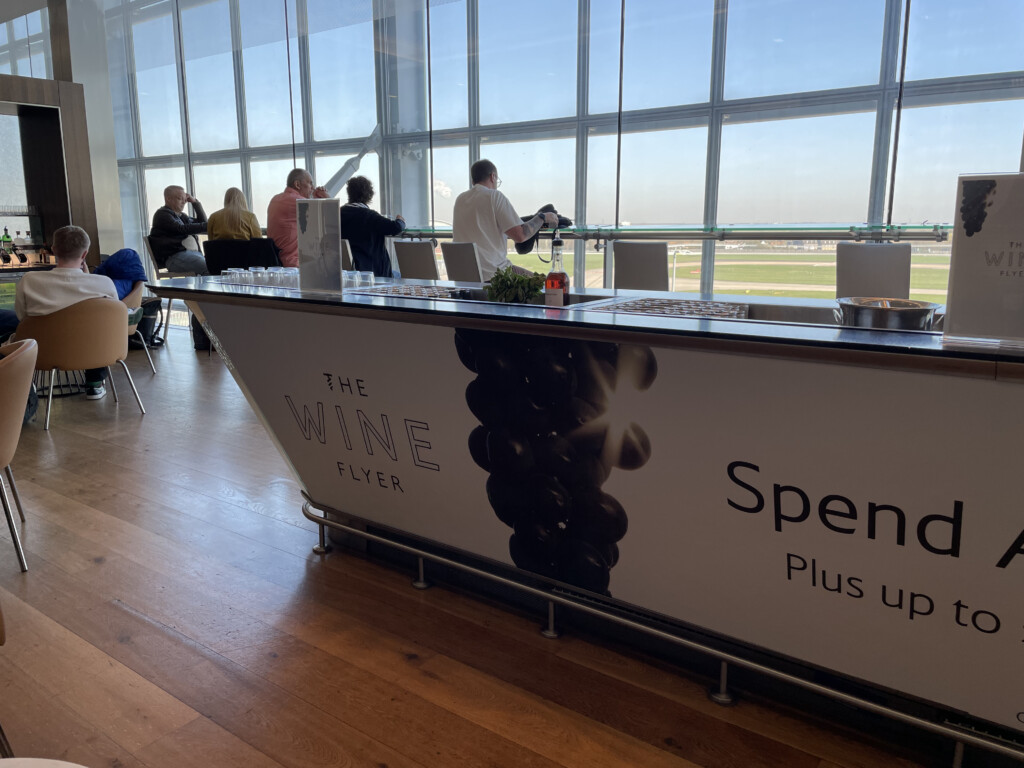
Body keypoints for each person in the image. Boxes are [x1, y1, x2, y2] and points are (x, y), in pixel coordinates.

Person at [13, 225, 123, 400]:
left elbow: (21, 317)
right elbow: (113, 322)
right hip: (93, 351)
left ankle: (28, 387)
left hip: (45, 352)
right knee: (99, 326)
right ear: (85, 254)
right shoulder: (104, 283)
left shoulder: (30, 281)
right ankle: (94, 384)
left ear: (54, 250)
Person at [452, 159, 558, 281]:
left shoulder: (460, 199)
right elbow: (520, 235)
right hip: (495, 276)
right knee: (545, 284)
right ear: (493, 177)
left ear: (473, 180)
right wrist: (543, 217)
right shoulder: (494, 196)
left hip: (464, 278)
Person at [339, 176, 405, 277]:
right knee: (399, 276)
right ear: (369, 195)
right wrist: (400, 220)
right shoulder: (369, 216)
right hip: (373, 273)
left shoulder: (338, 214)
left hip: (347, 273)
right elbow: (395, 227)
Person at [266, 169, 329, 268]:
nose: (312, 188)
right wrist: (325, 196)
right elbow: (331, 214)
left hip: (275, 261)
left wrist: (315, 200)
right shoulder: (298, 202)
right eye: (310, 183)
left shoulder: (275, 199)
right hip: (293, 263)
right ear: (297, 184)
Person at [149, 185, 209, 275]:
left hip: (192, 256)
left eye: (185, 200)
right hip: (174, 258)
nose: (184, 202)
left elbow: (203, 222)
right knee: (209, 268)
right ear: (168, 199)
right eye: (180, 199)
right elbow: (181, 229)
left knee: (216, 266)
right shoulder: (162, 214)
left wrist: (195, 202)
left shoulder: (181, 216)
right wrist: (210, 224)